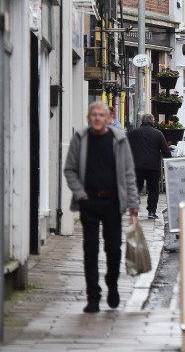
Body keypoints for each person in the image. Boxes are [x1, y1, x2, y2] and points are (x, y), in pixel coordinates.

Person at [63, 101, 139, 313]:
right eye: (93, 115)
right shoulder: (81, 138)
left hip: (113, 202)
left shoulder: (119, 140)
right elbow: (69, 169)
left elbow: (129, 174)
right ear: (88, 118)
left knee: (114, 249)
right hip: (89, 202)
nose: (97, 118)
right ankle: (93, 296)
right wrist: (80, 194)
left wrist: (133, 204)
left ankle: (112, 285)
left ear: (108, 118)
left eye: (101, 115)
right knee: (90, 250)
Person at [126, 113, 173, 220]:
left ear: (142, 121)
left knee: (135, 188)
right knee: (153, 189)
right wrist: (168, 160)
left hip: (136, 166)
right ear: (153, 122)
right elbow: (166, 151)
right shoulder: (158, 134)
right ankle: (151, 211)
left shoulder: (133, 133)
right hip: (153, 166)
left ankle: (134, 209)